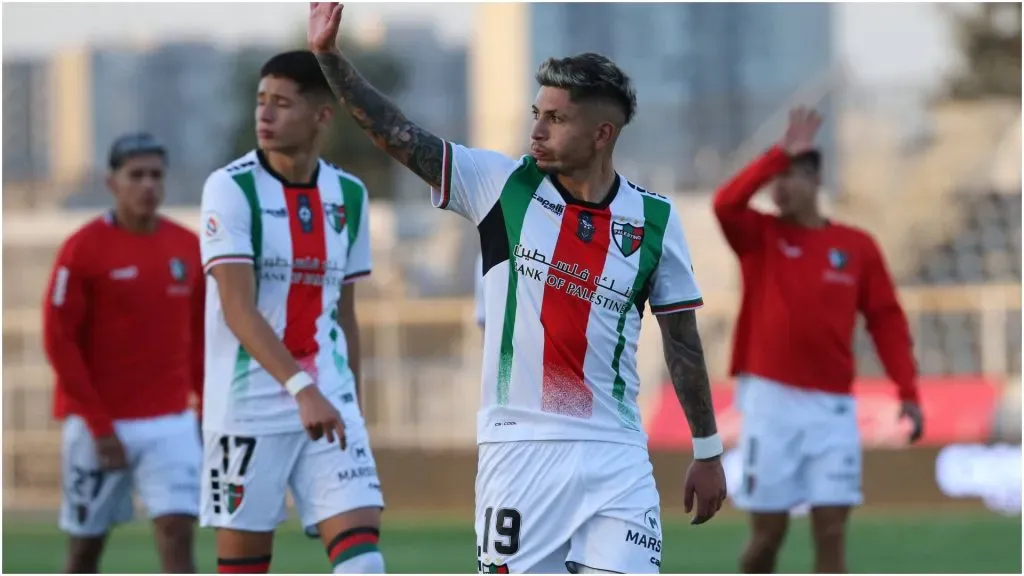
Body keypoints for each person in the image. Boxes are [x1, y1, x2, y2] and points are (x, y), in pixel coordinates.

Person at [309, 4, 727, 573]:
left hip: (617, 456)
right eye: (537, 113)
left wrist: (707, 449)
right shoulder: (500, 186)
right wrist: (330, 58)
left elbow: (682, 341)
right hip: (519, 453)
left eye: (555, 118)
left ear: (601, 134)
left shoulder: (654, 219)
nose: (537, 130)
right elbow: (397, 134)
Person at [712, 107, 925, 573]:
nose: (779, 187)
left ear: (814, 180)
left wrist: (908, 392)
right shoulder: (759, 236)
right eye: (775, 178)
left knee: (831, 531)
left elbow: (887, 321)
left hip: (833, 409)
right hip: (771, 404)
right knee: (767, 538)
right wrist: (776, 155)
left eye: (789, 176)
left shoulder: (856, 246)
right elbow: (725, 204)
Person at [198, 50, 383, 574]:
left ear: (322, 115)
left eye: (281, 103)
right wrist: (303, 390)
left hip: (328, 400)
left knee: (363, 564)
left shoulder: (349, 195)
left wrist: (352, 405)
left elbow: (344, 313)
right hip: (247, 409)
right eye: (261, 100)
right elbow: (237, 308)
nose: (264, 113)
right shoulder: (230, 188)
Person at [43, 133, 204, 573]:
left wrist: (205, 408)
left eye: (156, 175)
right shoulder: (82, 248)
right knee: (85, 547)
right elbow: (59, 341)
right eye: (136, 175)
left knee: (177, 530)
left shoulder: (187, 247)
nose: (147, 185)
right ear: (112, 182)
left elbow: (200, 338)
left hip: (170, 422)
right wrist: (99, 427)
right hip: (98, 424)